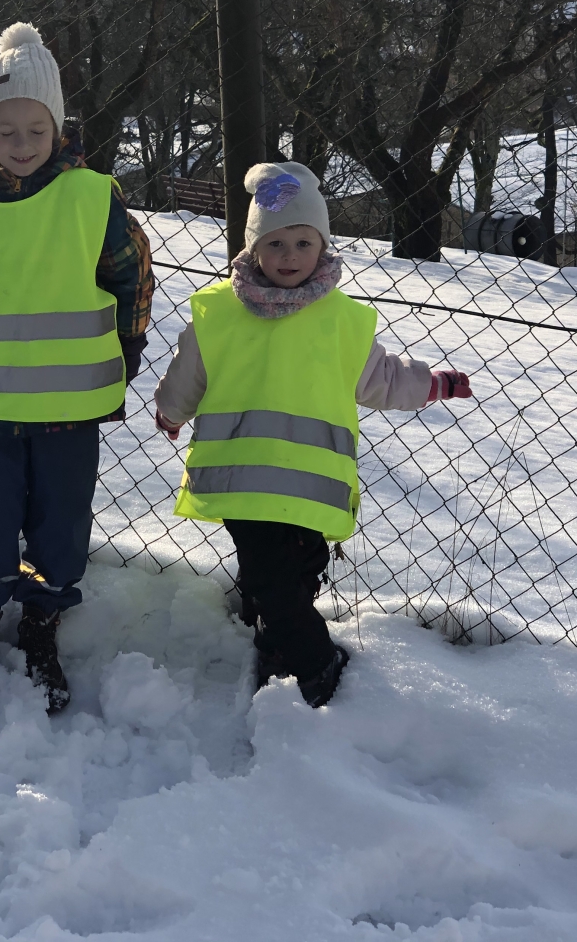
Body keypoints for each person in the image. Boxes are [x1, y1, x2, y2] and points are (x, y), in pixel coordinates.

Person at [153, 162, 472, 708]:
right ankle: (314, 661)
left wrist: (432, 384)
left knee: (301, 567)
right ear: (254, 248)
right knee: (269, 573)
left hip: (308, 484)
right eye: (275, 244)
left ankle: (274, 641)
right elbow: (189, 373)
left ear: (322, 246)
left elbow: (380, 380)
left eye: (303, 243)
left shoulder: (341, 320)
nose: (290, 256)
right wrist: (171, 411)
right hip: (244, 481)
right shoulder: (220, 313)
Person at [0, 23, 153, 714]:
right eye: (5, 131)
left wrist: (129, 342)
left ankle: (43, 614)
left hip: (70, 402)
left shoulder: (92, 197)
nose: (21, 144)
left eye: (35, 130)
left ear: (57, 127)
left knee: (60, 516)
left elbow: (131, 274)